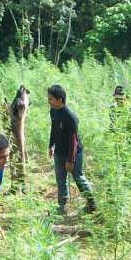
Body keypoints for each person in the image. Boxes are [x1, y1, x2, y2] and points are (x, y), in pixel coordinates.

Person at [47, 84, 96, 215]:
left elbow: (73, 141)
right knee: (60, 179)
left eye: (51, 99)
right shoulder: (53, 111)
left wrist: (71, 160)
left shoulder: (70, 117)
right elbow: (54, 129)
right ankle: (62, 206)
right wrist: (51, 145)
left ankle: (92, 204)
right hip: (59, 152)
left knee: (78, 177)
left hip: (74, 153)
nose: (49, 101)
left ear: (60, 100)